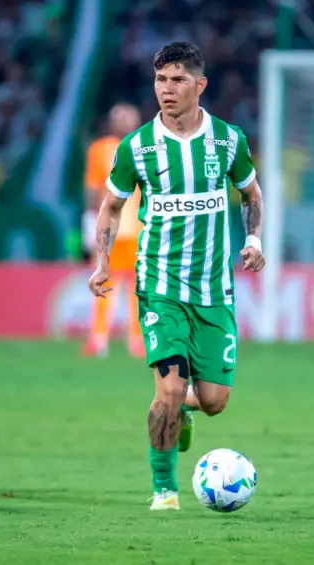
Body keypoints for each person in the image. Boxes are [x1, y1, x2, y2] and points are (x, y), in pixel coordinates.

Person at [87, 42, 266, 510]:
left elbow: (251, 195)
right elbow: (111, 207)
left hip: (214, 292)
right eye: (160, 80)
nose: (167, 89)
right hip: (160, 287)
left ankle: (183, 411)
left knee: (213, 401)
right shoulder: (137, 147)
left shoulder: (228, 141)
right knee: (167, 391)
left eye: (178, 80)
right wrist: (102, 261)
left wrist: (255, 241)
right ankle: (164, 490)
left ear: (199, 85)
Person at [82, 103, 145, 358]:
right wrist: (88, 220)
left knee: (140, 288)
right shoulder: (99, 149)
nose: (125, 122)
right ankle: (99, 338)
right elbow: (91, 187)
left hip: (141, 230)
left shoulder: (149, 146)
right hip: (110, 229)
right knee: (104, 283)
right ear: (111, 121)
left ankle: (138, 339)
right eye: (120, 117)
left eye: (129, 116)